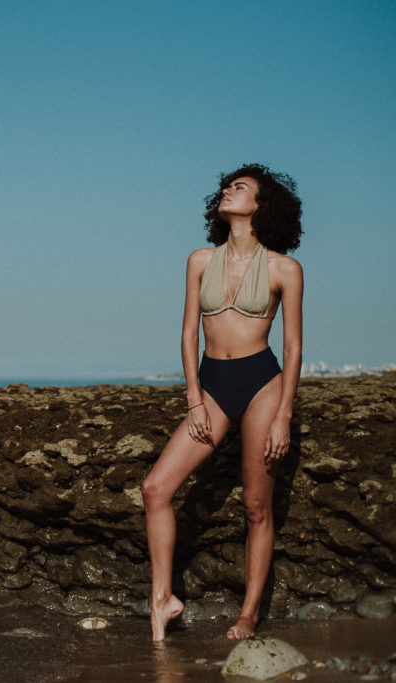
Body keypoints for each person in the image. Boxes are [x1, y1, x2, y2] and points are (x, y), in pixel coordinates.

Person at [142, 164, 304, 642]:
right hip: (211, 384)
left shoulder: (283, 269)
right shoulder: (200, 261)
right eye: (227, 186)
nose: (228, 191)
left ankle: (249, 614)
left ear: (263, 205)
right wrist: (193, 397)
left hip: (261, 383)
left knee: (257, 505)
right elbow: (189, 333)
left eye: (240, 188)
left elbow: (293, 348)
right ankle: (162, 599)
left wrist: (284, 416)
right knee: (156, 489)